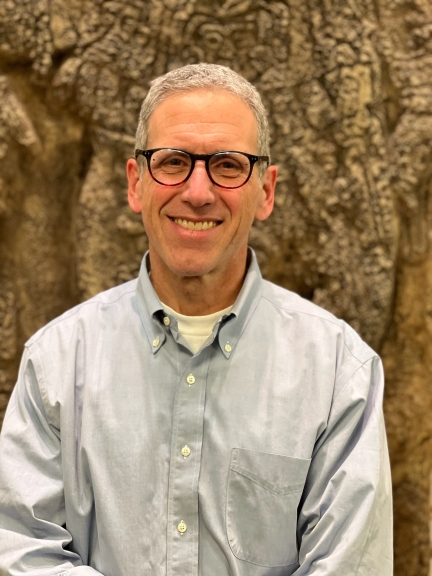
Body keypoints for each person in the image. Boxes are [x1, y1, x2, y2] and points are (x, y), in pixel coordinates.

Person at [0, 63, 392, 575]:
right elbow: (22, 547)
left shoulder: (341, 373)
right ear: (136, 183)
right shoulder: (55, 362)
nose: (199, 192)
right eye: (173, 162)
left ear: (266, 190)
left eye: (228, 165)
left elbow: (350, 567)